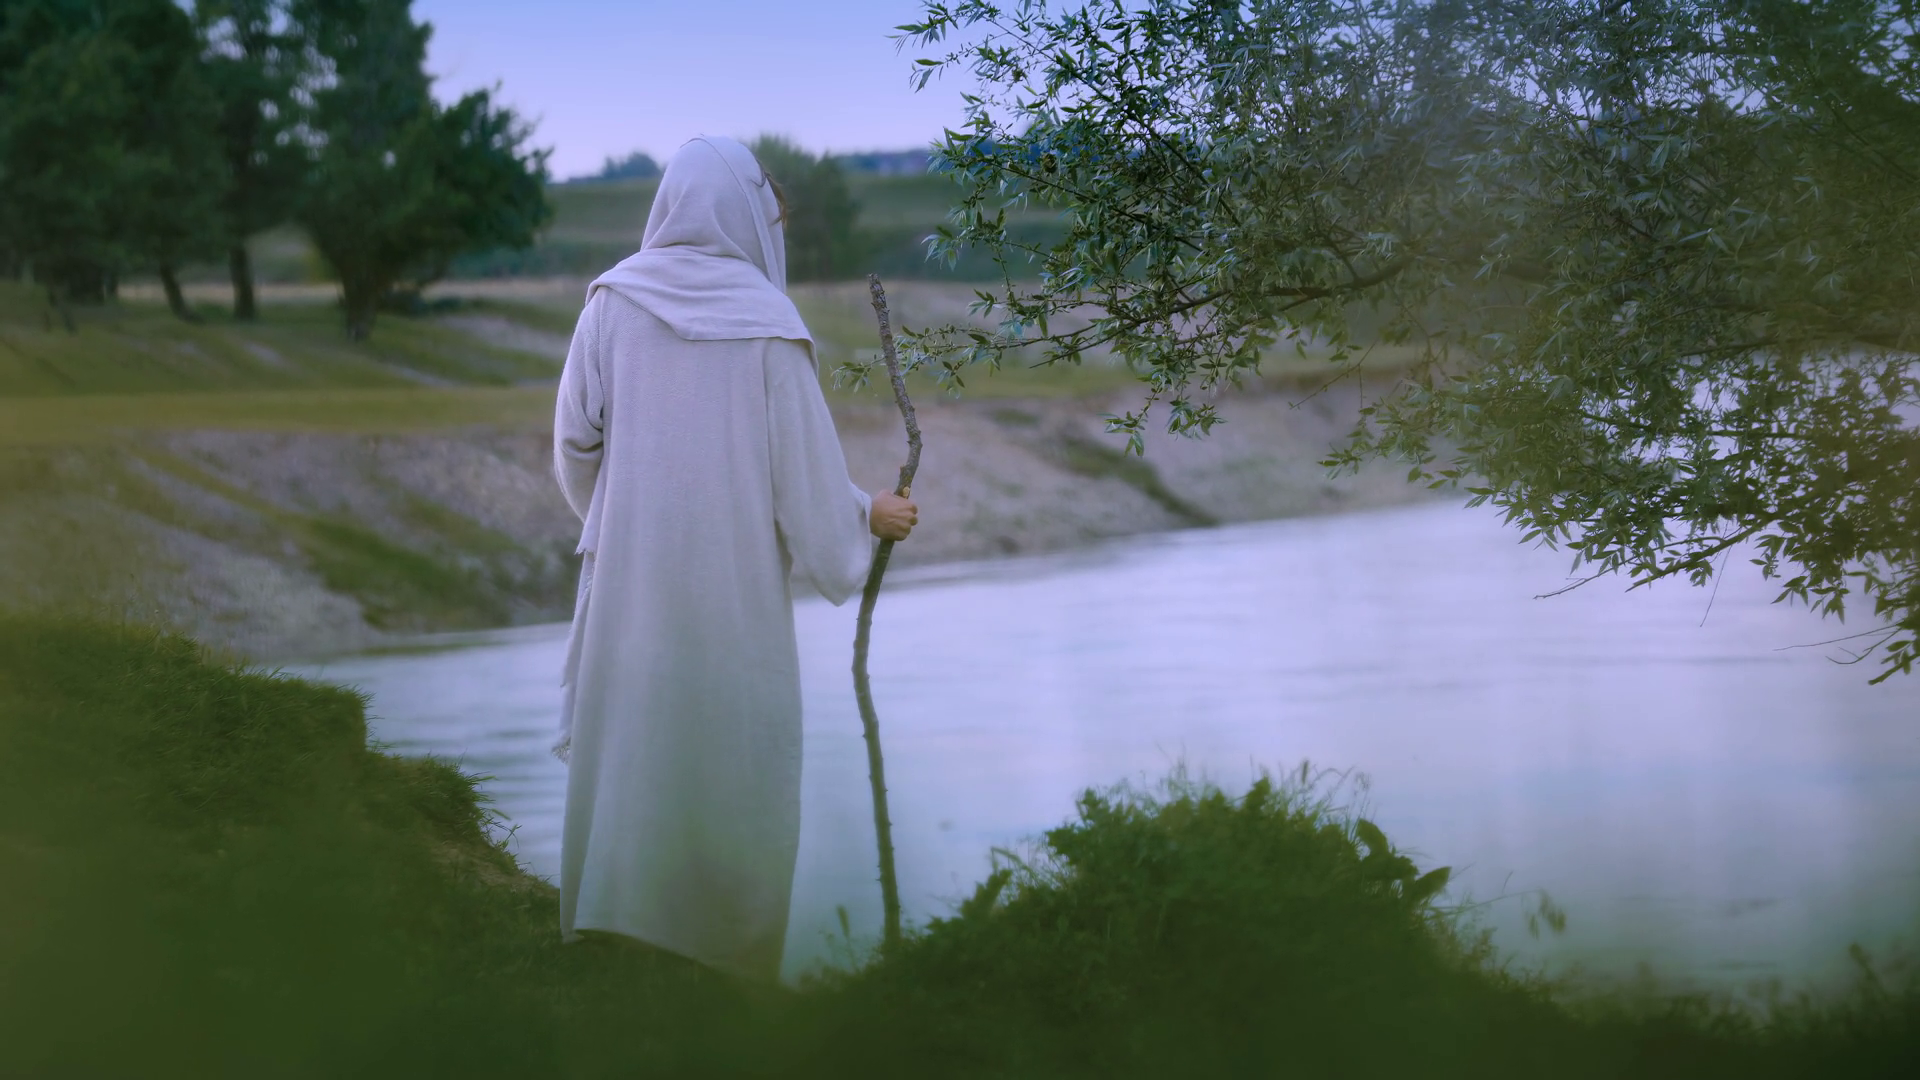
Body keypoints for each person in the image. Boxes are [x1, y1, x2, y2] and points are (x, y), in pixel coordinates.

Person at [550, 135, 917, 981]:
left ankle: (617, 936)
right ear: (745, 215)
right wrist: (867, 516)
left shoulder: (611, 303)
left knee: (633, 752)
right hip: (734, 600)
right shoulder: (767, 324)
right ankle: (721, 969)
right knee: (729, 758)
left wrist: (625, 523)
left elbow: (574, 444)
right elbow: (806, 486)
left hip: (631, 594)